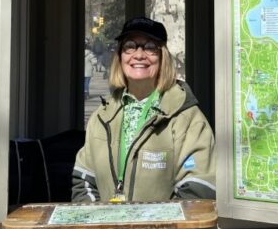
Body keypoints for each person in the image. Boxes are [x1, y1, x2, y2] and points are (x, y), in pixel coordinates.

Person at [72, 16, 215, 202]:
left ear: (162, 57)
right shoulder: (102, 116)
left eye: (150, 47)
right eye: (130, 46)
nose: (139, 55)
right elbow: (84, 181)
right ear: (120, 57)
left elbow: (198, 188)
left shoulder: (186, 117)